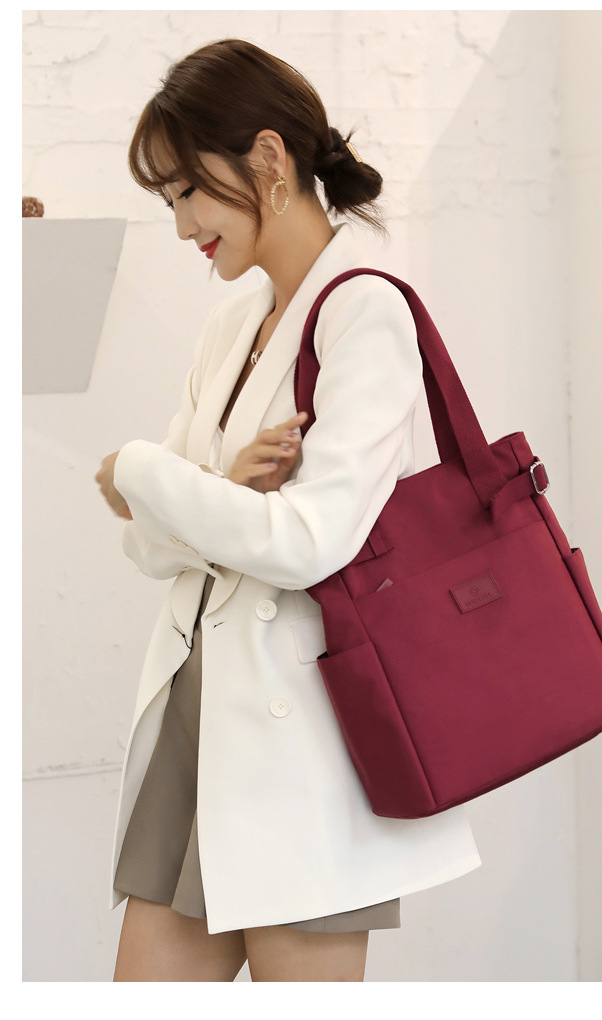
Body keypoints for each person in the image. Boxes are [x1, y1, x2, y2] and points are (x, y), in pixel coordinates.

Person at [95, 38, 480, 983]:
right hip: (198, 720)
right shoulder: (232, 323)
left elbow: (309, 542)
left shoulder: (365, 313)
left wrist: (144, 470)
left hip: (299, 744)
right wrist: (218, 489)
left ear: (266, 158)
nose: (182, 226)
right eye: (169, 200)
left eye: (189, 191)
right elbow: (153, 549)